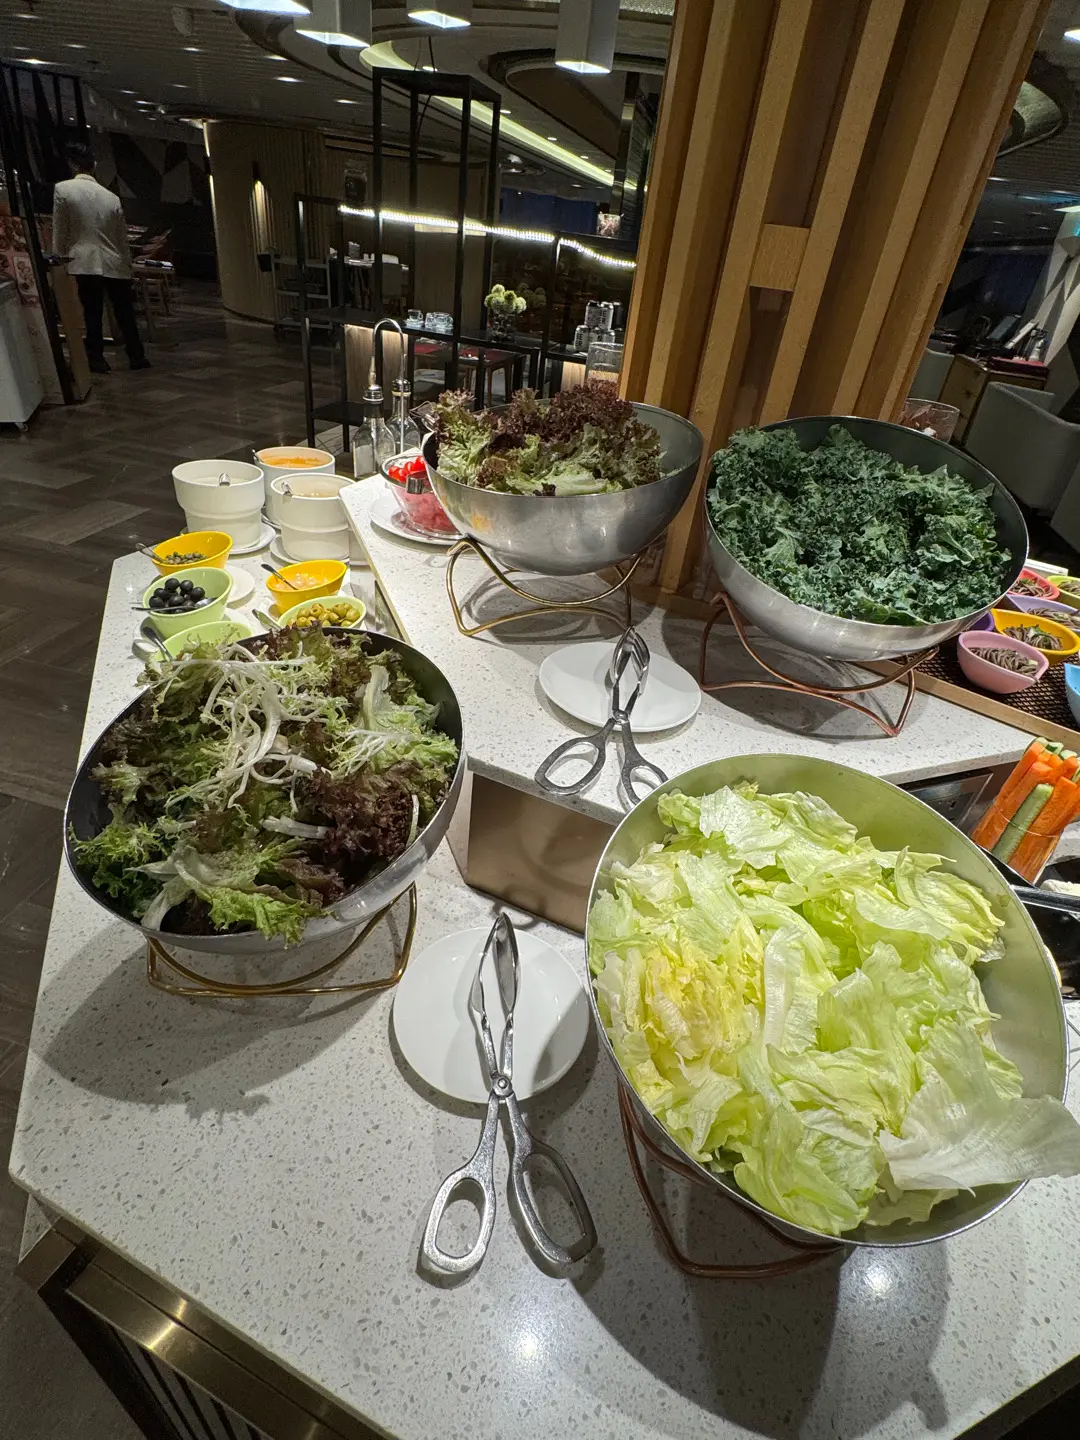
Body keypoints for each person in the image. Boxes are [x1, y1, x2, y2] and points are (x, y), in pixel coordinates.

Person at [52, 142, 149, 374]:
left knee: (92, 311)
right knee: (124, 311)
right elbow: (121, 237)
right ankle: (136, 356)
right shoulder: (111, 197)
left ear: (72, 165)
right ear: (94, 166)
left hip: (84, 260)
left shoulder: (63, 190)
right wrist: (127, 263)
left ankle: (96, 358)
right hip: (114, 259)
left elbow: (60, 229)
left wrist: (59, 256)